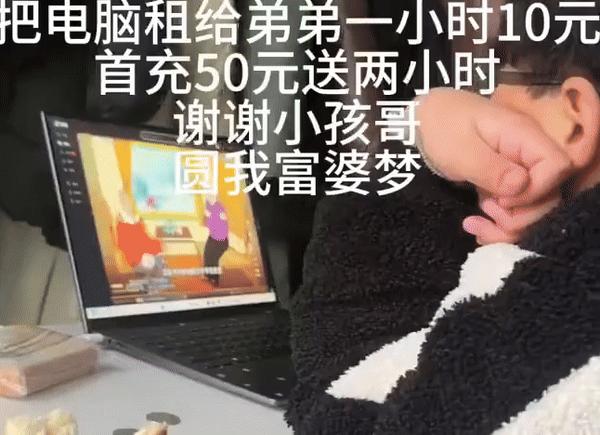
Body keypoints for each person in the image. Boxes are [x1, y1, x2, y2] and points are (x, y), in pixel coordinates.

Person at [286, 1, 600, 433]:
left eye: (500, 73)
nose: (488, 100)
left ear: (575, 118)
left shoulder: (550, 337)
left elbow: (344, 394)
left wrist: (422, 135)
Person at [203, 194, 229, 286]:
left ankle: (215, 279)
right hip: (213, 237)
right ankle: (208, 276)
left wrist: (210, 216)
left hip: (221, 240)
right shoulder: (208, 204)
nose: (209, 198)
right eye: (208, 196)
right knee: (207, 255)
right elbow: (206, 223)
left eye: (212, 196)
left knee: (213, 259)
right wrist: (207, 216)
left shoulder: (219, 208)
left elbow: (222, 225)